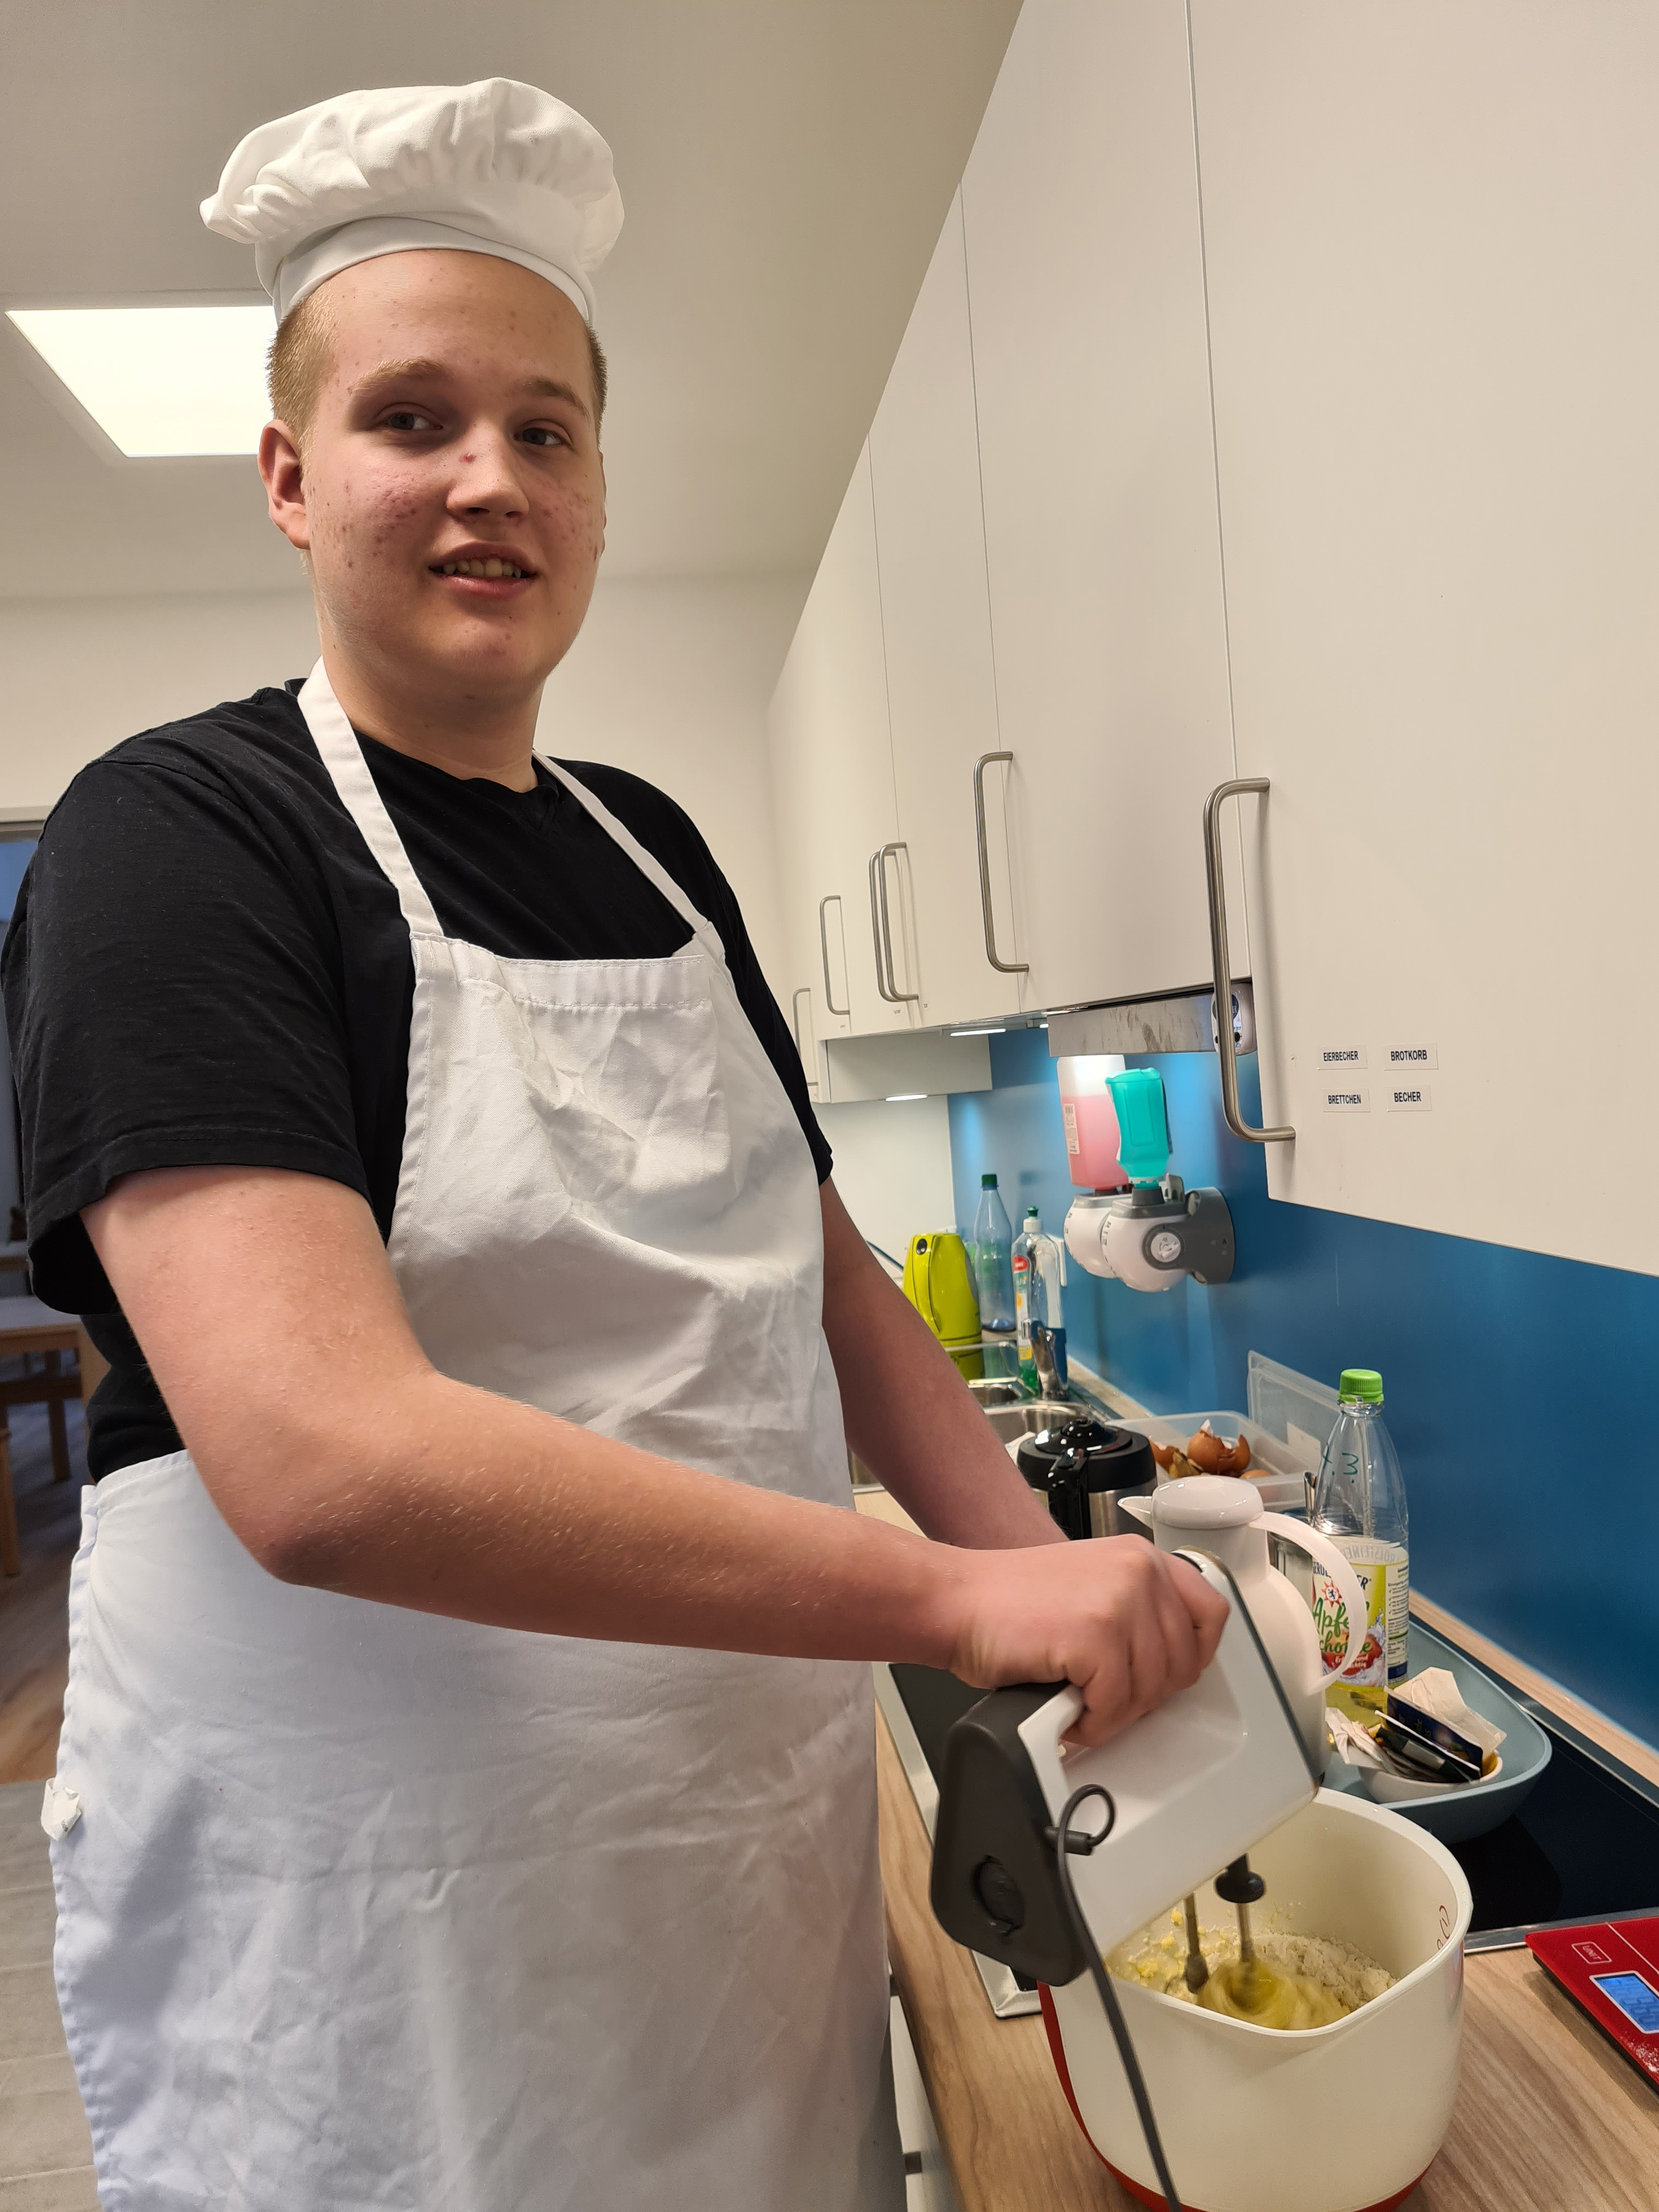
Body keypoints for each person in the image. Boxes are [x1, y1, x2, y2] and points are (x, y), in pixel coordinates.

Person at [3, 78, 1227, 2212]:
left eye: (546, 427)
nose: (490, 479)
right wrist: (948, 1591)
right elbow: (321, 1458)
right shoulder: (179, 839)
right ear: (290, 478)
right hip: (376, 1923)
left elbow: (827, 1285)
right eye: (413, 420)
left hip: (720, 1882)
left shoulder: (651, 848)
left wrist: (1041, 1582)